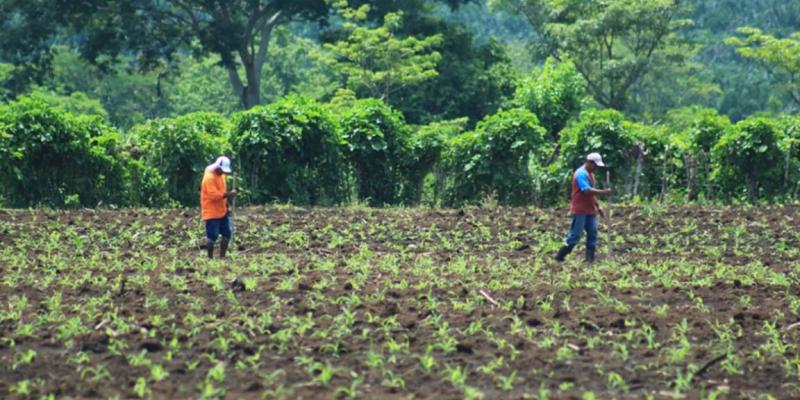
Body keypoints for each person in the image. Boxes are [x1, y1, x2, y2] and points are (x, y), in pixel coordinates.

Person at [555, 152, 612, 263]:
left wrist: (597, 206)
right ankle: (560, 256)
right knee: (575, 235)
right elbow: (586, 190)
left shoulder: (591, 174)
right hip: (580, 210)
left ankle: (589, 260)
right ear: (590, 163)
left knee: (593, 233)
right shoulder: (580, 174)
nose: (596, 168)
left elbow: (592, 194)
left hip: (590, 210)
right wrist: (604, 192)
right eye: (595, 165)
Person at [201, 156, 236, 259]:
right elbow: (214, 195)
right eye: (222, 170)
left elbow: (222, 191)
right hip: (211, 212)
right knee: (213, 236)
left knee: (227, 234)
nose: (223, 172)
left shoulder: (222, 176)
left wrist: (227, 205)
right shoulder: (208, 178)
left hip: (222, 210)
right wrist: (229, 194)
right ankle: (210, 258)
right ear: (217, 167)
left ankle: (222, 257)